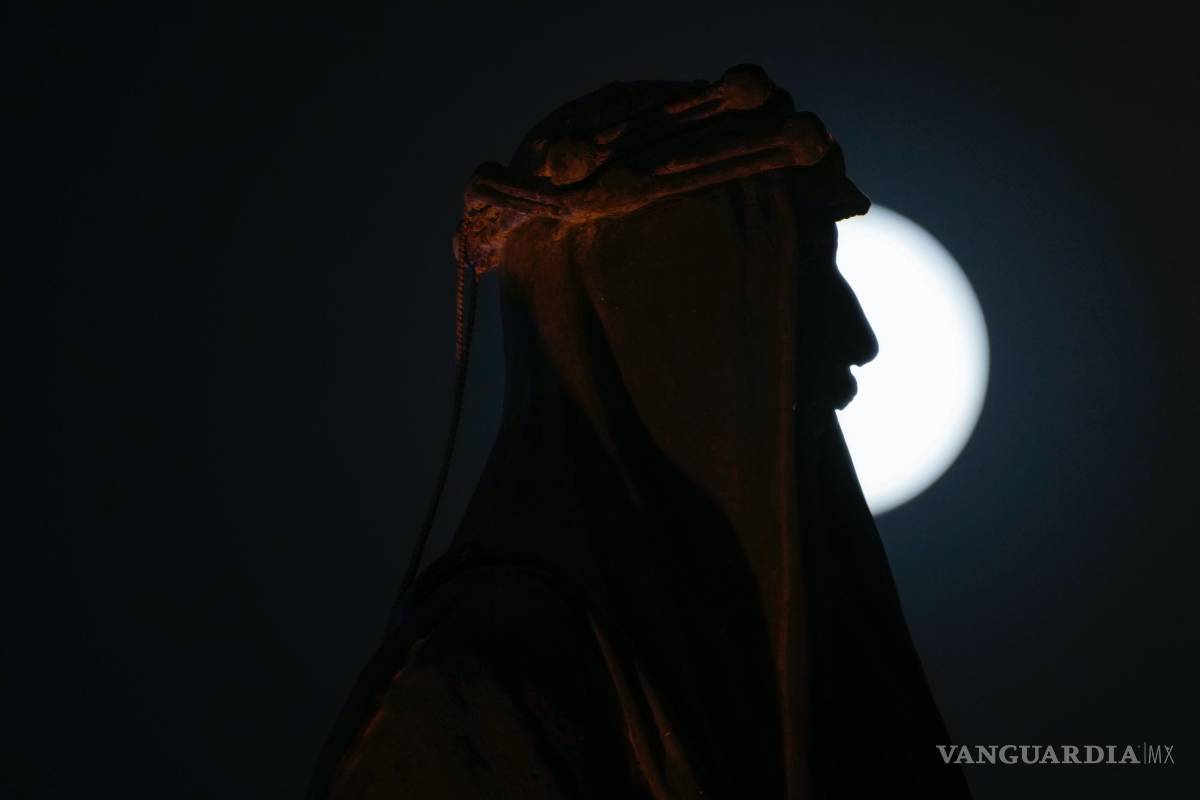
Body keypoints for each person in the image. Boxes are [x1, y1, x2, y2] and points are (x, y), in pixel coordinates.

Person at [308, 64, 972, 799]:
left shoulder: (792, 682)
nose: (858, 337)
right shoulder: (488, 681)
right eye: (803, 274)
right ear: (675, 305)